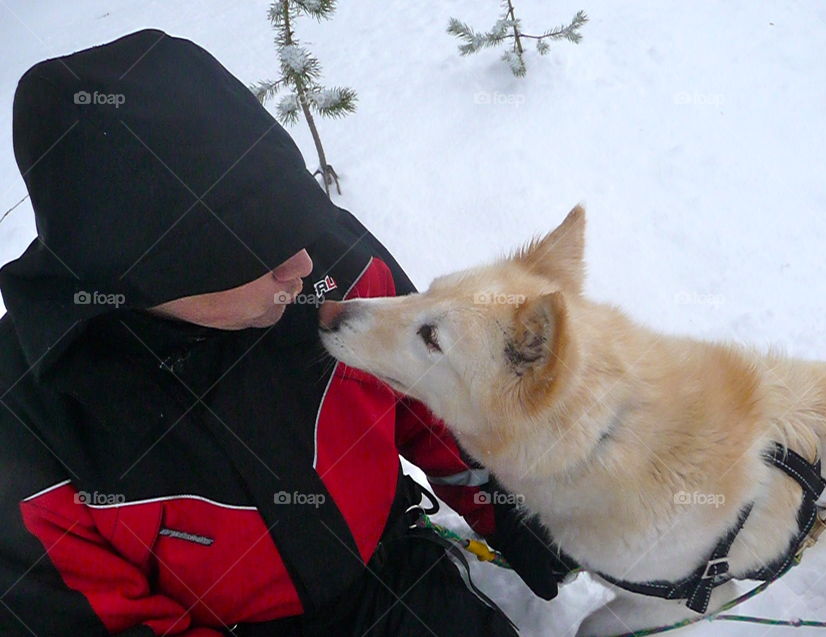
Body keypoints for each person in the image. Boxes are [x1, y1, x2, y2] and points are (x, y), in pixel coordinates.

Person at [0, 29, 572, 636]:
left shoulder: (335, 263)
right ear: (148, 279)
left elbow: (438, 402)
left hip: (396, 577)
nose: (303, 267)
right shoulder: (31, 433)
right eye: (261, 257)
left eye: (298, 225)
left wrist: (534, 521)